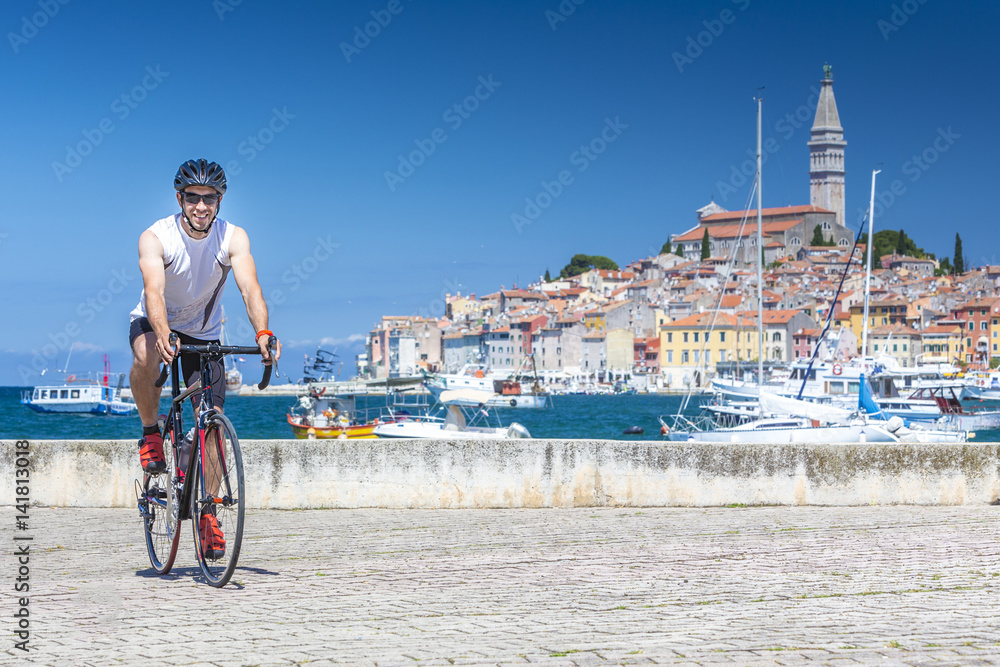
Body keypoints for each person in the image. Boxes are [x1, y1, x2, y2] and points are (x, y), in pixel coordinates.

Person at [129, 158, 280, 558]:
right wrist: (162, 333)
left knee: (211, 423)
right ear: (180, 199)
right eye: (193, 198)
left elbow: (250, 289)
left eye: (209, 198)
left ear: (220, 200)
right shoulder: (156, 237)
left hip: (205, 332)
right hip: (156, 321)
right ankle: (149, 433)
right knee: (146, 354)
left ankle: (209, 511)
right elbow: (153, 291)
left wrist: (263, 332)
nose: (201, 206)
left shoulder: (233, 237)